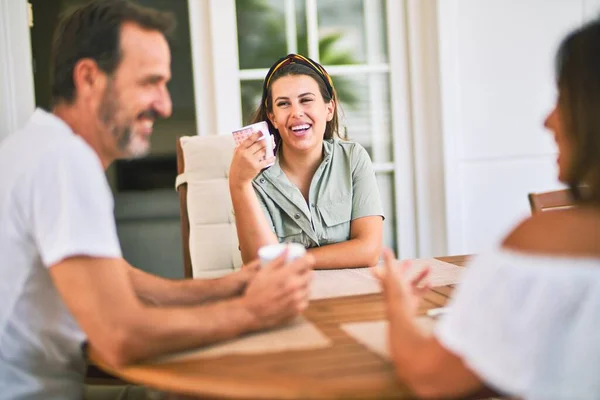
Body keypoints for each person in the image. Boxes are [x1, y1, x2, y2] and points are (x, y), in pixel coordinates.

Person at [0, 1, 313, 399]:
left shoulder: (33, 146)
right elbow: (119, 334)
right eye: (149, 82)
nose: (165, 105)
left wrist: (231, 286)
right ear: (89, 78)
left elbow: (121, 279)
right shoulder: (65, 162)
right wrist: (252, 311)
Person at [374, 17, 600, 399]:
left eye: (563, 98)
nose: (548, 120)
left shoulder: (546, 242)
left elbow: (431, 378)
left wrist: (398, 308)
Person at [229, 53, 384, 269]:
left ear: (329, 109)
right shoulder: (252, 175)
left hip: (352, 295)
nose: (296, 113)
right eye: (283, 104)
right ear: (272, 117)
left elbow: (368, 250)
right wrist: (239, 184)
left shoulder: (353, 158)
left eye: (306, 100)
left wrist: (296, 260)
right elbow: (260, 263)